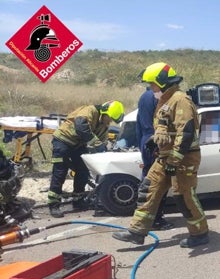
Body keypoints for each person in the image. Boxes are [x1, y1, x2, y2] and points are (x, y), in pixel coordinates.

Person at [112, 62, 209, 248]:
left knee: (183, 196)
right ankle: (136, 232)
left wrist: (174, 160)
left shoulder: (180, 100)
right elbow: (166, 127)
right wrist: (154, 140)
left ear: (162, 82)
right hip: (165, 157)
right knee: (149, 188)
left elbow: (186, 133)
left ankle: (200, 233)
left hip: (183, 158)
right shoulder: (165, 101)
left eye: (152, 84)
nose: (150, 88)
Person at [48, 100, 125, 218]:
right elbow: (81, 127)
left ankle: (78, 200)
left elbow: (101, 143)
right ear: (104, 112)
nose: (109, 122)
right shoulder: (90, 111)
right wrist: (96, 143)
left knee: (82, 170)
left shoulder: (104, 126)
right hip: (63, 141)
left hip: (77, 145)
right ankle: (54, 204)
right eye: (109, 118)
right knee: (60, 171)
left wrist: (104, 151)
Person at [136, 87, 174, 230]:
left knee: (148, 181)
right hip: (155, 142)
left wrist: (143, 146)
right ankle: (155, 219)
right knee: (158, 183)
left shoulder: (144, 97)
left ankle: (145, 218)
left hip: (147, 141)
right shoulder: (157, 97)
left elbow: (138, 127)